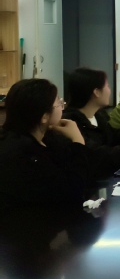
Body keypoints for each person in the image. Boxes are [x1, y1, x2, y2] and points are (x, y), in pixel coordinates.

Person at [0, 79, 88, 211]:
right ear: (44, 117)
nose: (62, 107)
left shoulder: (46, 138)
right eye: (58, 103)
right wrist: (78, 141)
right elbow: (72, 190)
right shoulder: (21, 152)